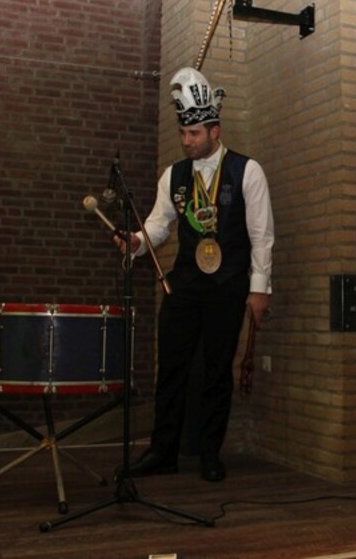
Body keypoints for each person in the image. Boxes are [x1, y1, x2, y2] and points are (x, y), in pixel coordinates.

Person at [113, 67, 274, 482]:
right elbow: (158, 225)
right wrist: (137, 240)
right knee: (171, 368)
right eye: (184, 133)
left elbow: (262, 236)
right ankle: (162, 451)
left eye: (195, 134)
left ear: (215, 131)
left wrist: (259, 290)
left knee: (217, 371)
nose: (187, 141)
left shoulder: (247, 171)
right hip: (184, 284)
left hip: (228, 284)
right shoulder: (174, 175)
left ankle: (209, 453)